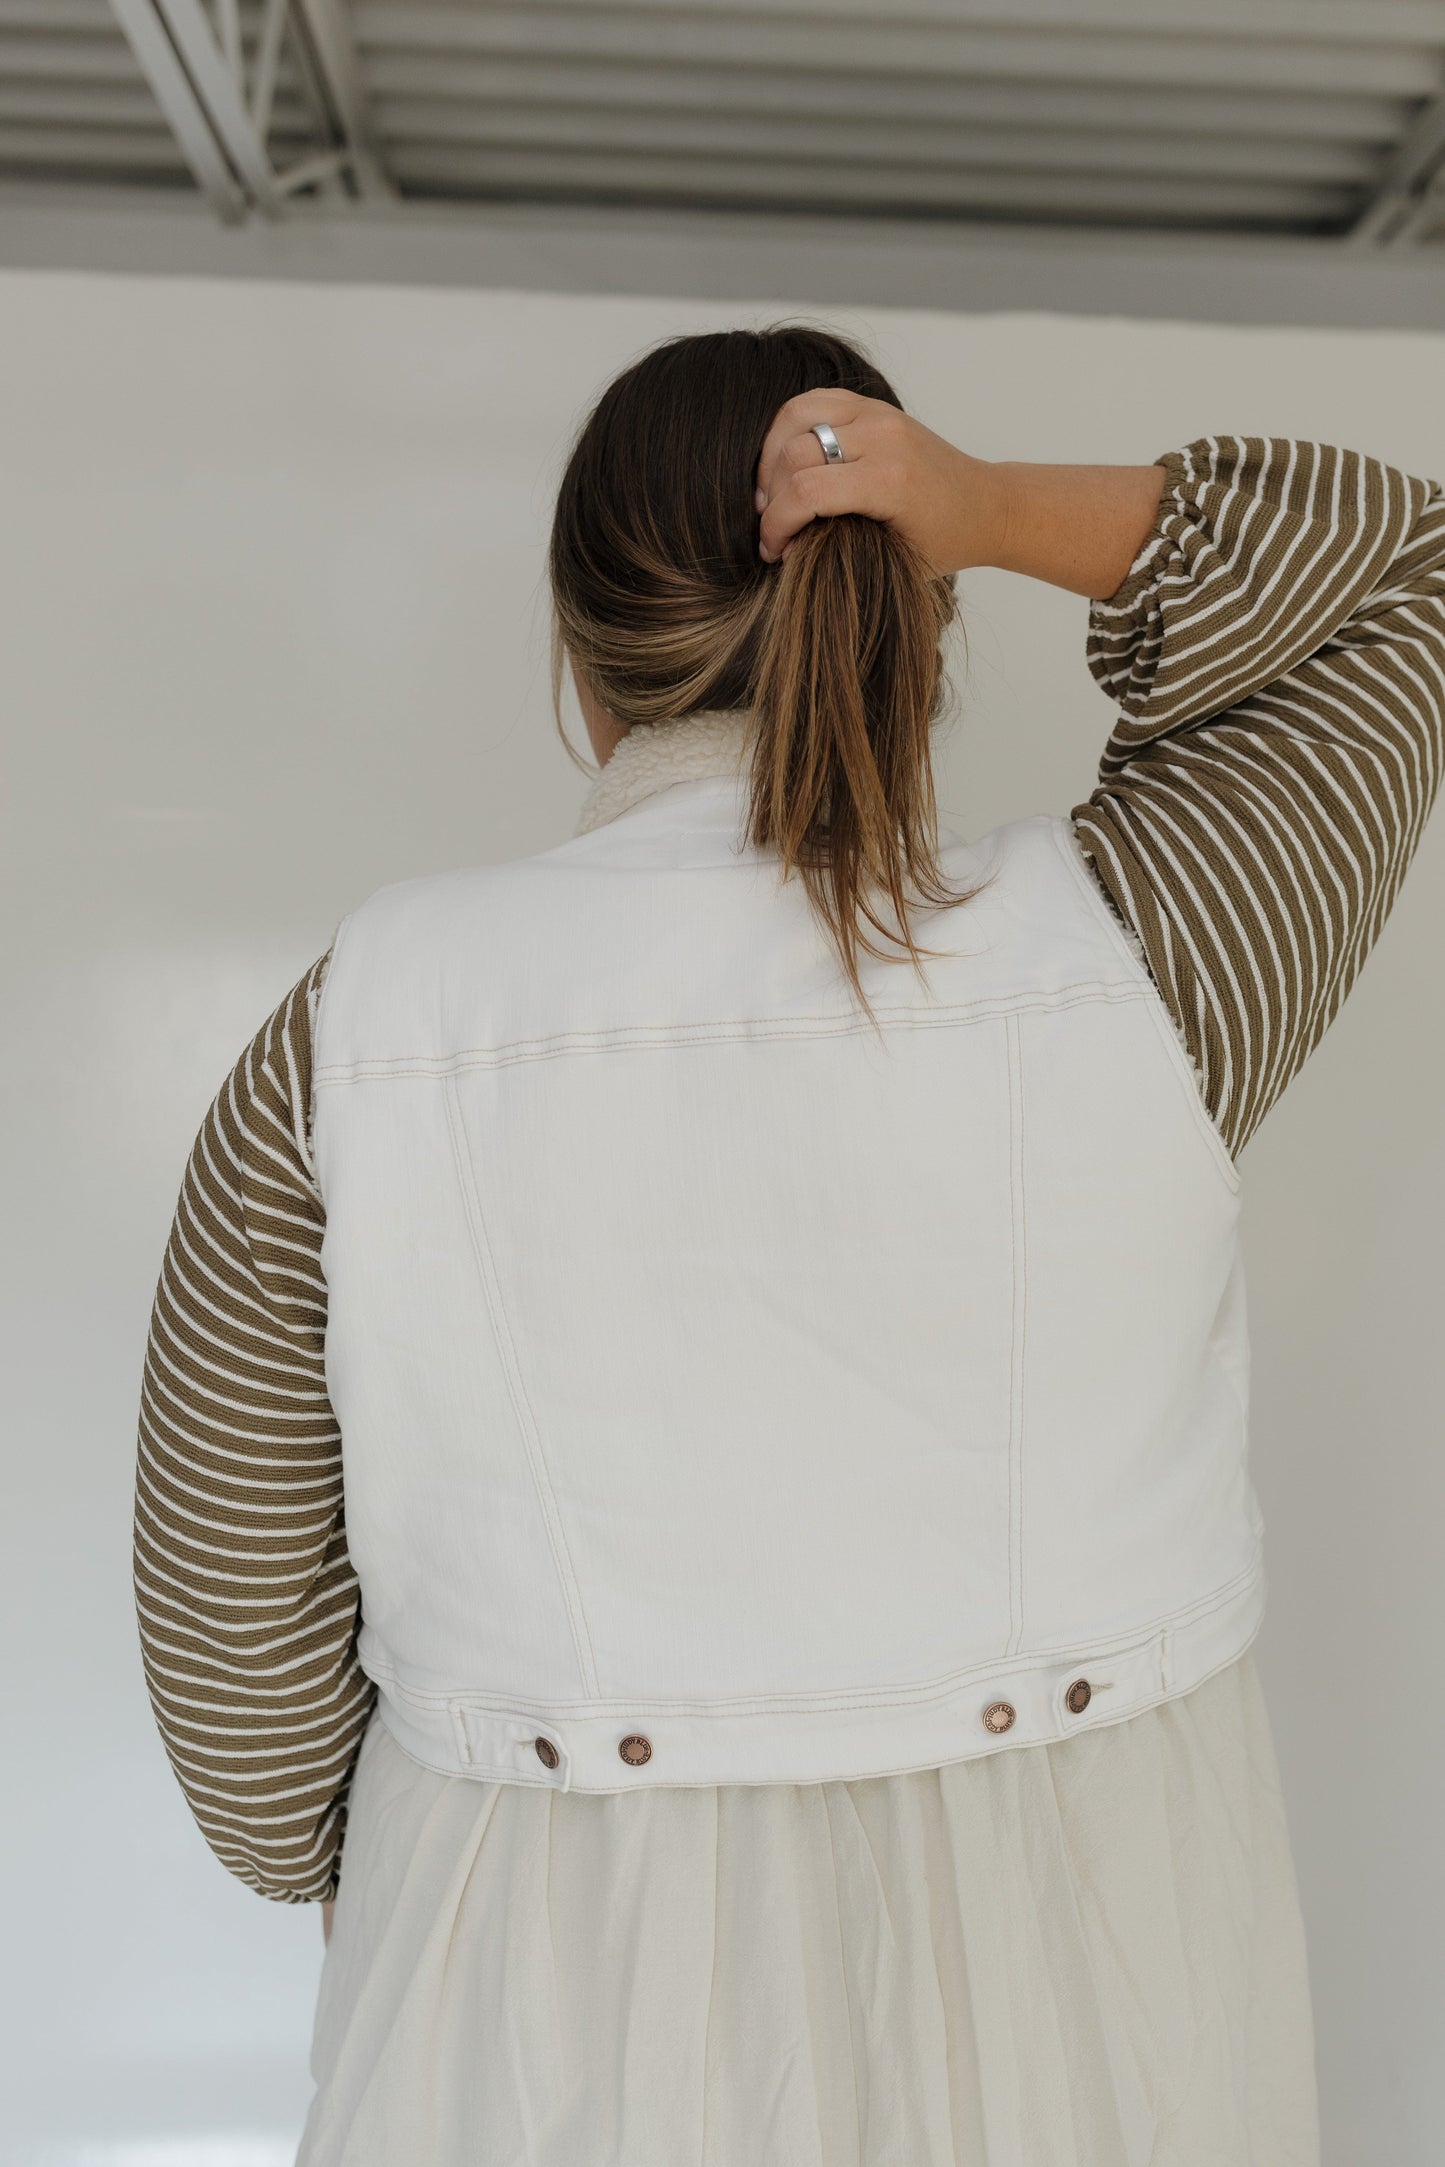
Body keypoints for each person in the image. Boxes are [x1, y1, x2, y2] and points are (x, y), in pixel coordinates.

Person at [133, 325, 1445, 2166]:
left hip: (534, 1994)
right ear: (918, 626)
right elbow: (1392, 568)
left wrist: (374, 1858)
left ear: (586, 669)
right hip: (1085, 1983)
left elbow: (236, 1667)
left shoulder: (350, 1035)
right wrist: (978, 508)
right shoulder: (1140, 964)